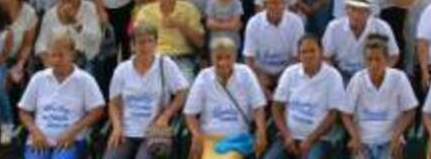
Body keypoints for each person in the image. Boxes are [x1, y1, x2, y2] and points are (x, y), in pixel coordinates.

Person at [105, 22, 190, 159]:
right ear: (133, 45)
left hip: (154, 131)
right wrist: (116, 126)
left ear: (156, 43)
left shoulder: (165, 64)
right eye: (140, 42)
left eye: (150, 41)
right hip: (126, 131)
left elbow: (183, 92)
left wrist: (166, 116)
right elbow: (114, 103)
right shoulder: (122, 69)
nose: (145, 46)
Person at [18, 32, 106, 159]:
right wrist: (34, 131)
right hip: (39, 140)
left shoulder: (85, 80)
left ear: (72, 55)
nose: (56, 60)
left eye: (61, 55)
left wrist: (73, 131)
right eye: (53, 55)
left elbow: (97, 110)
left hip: (71, 141)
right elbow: (24, 111)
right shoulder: (38, 78)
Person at [185, 37, 268, 159]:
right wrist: (196, 135)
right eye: (218, 58)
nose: (223, 62)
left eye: (228, 57)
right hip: (209, 137)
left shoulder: (245, 73)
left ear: (234, 57)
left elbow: (258, 107)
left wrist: (261, 131)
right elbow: (190, 114)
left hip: (237, 138)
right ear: (211, 58)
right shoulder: (204, 77)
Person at [269, 34, 346, 159]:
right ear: (299, 55)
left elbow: (332, 115)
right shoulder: (290, 73)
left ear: (321, 52)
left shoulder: (333, 76)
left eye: (312, 51)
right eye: (304, 52)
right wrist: (287, 135)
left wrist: (310, 140)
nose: (308, 55)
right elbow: (276, 107)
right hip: (289, 137)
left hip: (319, 139)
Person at [341, 35, 417, 159]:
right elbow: (345, 113)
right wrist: (354, 137)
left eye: (378, 59)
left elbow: (410, 110)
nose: (373, 64)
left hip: (389, 140)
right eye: (369, 60)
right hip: (363, 141)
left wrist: (397, 135)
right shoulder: (357, 79)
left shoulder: (399, 78)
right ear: (364, 61)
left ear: (387, 60)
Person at [242, 0, 305, 93]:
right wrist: (258, 83)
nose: (278, 6)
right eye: (273, 2)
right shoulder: (254, 23)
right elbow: (249, 58)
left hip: (287, 69)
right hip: (261, 71)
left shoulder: (296, 22)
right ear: (265, 5)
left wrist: (286, 78)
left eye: (281, 2)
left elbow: (298, 57)